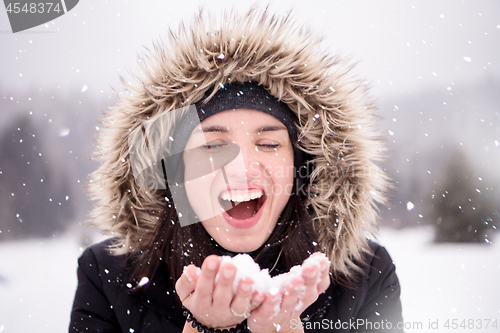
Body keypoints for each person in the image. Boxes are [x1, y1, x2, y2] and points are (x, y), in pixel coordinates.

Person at [69, 7, 403, 333]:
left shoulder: (365, 275)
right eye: (213, 146)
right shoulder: (107, 275)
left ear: (303, 167)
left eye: (269, 145)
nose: (242, 168)